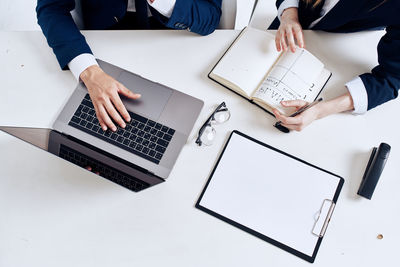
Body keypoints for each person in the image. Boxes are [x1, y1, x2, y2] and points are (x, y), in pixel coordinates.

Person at [36, 0, 222, 132]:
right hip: (102, 42)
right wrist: (88, 71)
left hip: (176, 40)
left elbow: (210, 16)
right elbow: (51, 9)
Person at [269, 0, 400, 131]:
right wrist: (289, 14)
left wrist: (319, 110)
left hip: (333, 38)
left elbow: (390, 78)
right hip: (288, 25)